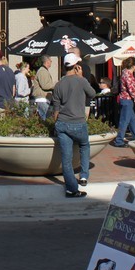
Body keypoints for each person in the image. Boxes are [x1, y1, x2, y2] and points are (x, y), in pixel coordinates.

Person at [50, 53, 96, 198]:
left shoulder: (58, 85)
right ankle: (83, 176)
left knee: (66, 158)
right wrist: (81, 77)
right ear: (77, 66)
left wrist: (54, 126)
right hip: (78, 122)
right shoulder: (81, 81)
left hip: (63, 124)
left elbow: (55, 110)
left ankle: (71, 188)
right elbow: (93, 93)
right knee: (84, 146)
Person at [113, 57, 135, 147]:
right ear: (133, 66)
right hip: (127, 100)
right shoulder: (128, 75)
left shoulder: (125, 72)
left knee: (132, 120)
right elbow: (131, 90)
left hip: (127, 100)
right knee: (124, 121)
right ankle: (119, 140)